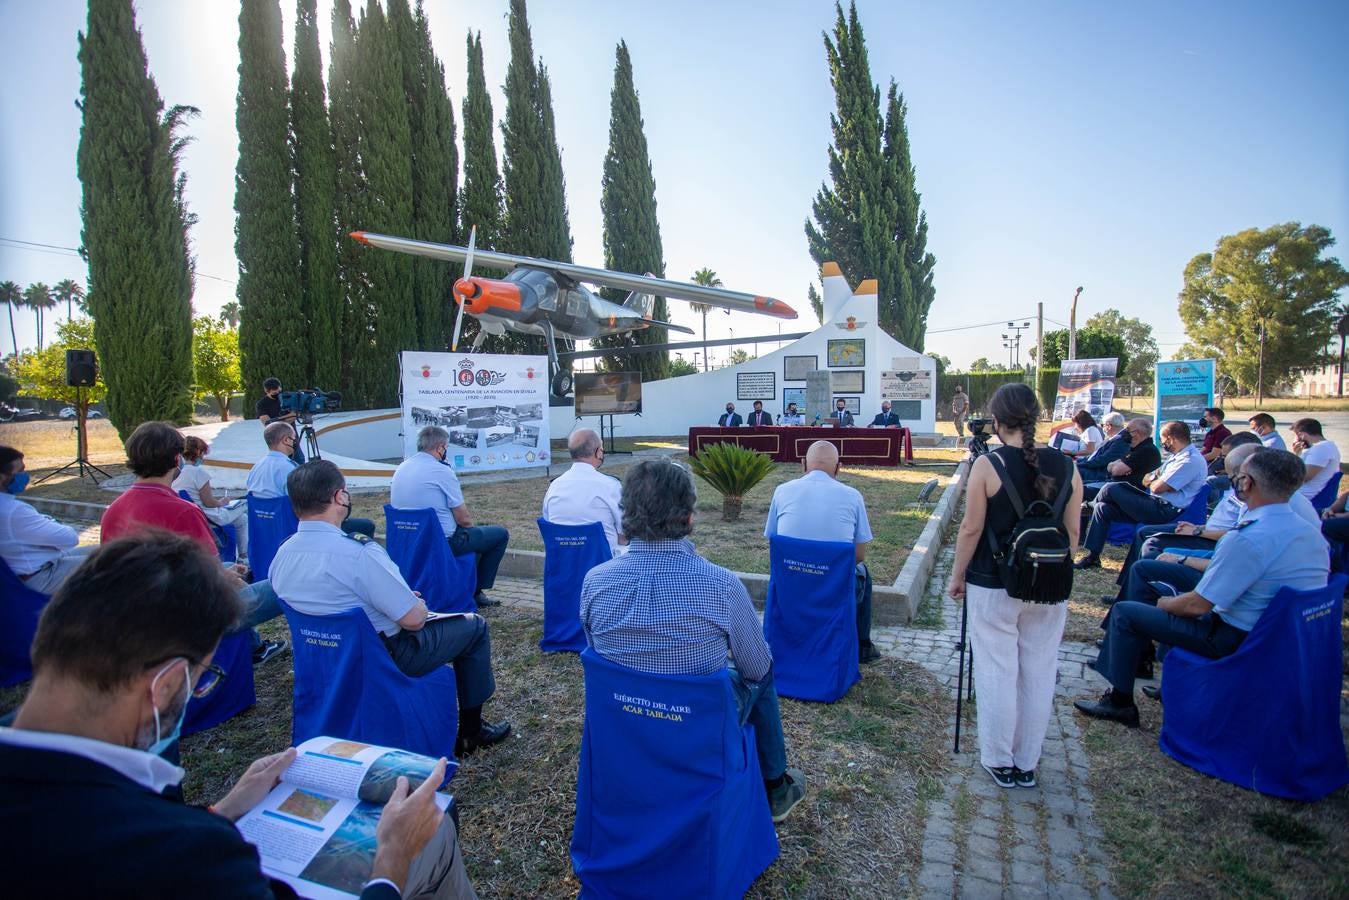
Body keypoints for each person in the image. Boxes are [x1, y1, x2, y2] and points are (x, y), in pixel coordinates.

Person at [0, 532, 474, 899]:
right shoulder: (184, 857)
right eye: (201, 681)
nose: (195, 693)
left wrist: (223, 811)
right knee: (433, 841)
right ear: (165, 685)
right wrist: (390, 856)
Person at [580, 459, 808, 823]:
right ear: (689, 517)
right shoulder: (722, 585)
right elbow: (758, 668)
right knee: (762, 678)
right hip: (695, 722)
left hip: (624, 716)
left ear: (627, 513)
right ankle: (776, 787)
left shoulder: (594, 581)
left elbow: (595, 651)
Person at [271, 460, 511, 757]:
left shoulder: (282, 555)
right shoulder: (359, 554)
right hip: (384, 656)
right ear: (338, 497)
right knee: (475, 627)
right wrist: (418, 604)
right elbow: (413, 621)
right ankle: (472, 732)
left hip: (324, 659)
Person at [1074, 448, 1328, 725]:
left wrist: (1163, 604)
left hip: (1235, 636)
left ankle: (1119, 701)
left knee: (1126, 613)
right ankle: (1142, 659)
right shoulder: (1309, 532)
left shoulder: (1248, 536)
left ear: (1247, 483)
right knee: (1147, 568)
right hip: (1283, 634)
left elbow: (1196, 606)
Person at [947, 383, 1082, 788]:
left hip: (994, 581)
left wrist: (957, 576)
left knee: (996, 670)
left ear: (996, 421)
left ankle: (998, 758)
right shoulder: (1068, 466)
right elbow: (1074, 530)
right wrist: (1055, 568)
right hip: (1049, 581)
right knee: (1039, 671)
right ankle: (1027, 761)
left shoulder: (989, 465)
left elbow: (971, 528)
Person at [101, 421, 286, 666]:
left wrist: (225, 571)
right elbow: (209, 574)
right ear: (177, 459)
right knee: (285, 583)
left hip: (138, 612)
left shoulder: (114, 510)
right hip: (185, 618)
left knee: (229, 564)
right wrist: (233, 579)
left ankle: (254, 647)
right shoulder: (181, 511)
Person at [764, 440, 880, 663]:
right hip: (832, 587)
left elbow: (775, 544)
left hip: (791, 583)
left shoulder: (782, 491)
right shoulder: (853, 496)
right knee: (864, 573)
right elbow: (858, 556)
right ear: (839, 467)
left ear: (802, 464)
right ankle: (862, 646)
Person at [389, 426, 510, 607]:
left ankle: (468, 585)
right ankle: (477, 591)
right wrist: (471, 533)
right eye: (446, 447)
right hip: (441, 542)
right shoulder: (442, 471)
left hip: (407, 540)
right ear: (440, 448)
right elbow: (464, 519)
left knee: (474, 539)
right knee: (499, 535)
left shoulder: (402, 468)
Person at [1076, 421, 1207, 569]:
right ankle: (1092, 557)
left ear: (1171, 439)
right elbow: (1150, 477)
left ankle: (1087, 506)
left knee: (1110, 488)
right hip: (1155, 502)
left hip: (1165, 509)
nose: (1162, 443)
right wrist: (1154, 479)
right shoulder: (1178, 456)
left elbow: (1157, 487)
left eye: (1163, 439)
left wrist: (1154, 480)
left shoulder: (1189, 460)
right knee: (1102, 507)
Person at [247, 422, 376, 539]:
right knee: (366, 526)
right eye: (294, 438)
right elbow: (307, 502)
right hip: (298, 529)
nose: (296, 442)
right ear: (286, 440)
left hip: (267, 534)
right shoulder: (288, 468)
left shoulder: (255, 468)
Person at [0, 445, 95, 593]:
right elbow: (69, 539)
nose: (25, 475)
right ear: (1, 478)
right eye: (20, 471)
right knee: (116, 561)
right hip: (38, 577)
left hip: (29, 568)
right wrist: (52, 522)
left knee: (105, 549)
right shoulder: (13, 510)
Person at [542, 428, 625, 556]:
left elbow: (550, 527)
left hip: (563, 567)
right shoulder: (611, 486)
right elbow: (625, 533)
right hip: (603, 567)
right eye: (602, 450)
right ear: (598, 452)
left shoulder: (554, 487)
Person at [173, 436, 250, 564]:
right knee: (244, 505)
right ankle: (244, 555)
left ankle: (242, 555)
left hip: (196, 516)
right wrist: (223, 502)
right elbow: (209, 502)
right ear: (199, 452)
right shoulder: (198, 473)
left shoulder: (178, 474)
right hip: (210, 517)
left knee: (240, 519)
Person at [1080, 417, 1161, 501]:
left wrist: (1113, 466)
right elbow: (1117, 467)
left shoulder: (1146, 450)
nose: (1125, 433)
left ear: (1136, 433)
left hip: (1128, 492)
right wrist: (1116, 466)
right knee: (1080, 484)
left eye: (1128, 430)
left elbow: (1116, 470)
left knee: (1079, 489)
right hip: (1115, 485)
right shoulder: (1136, 448)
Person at [1290, 417, 1340, 501]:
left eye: (1294, 436)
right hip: (1299, 493)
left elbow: (1304, 477)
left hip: (1302, 496)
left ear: (1301, 435)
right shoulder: (1326, 446)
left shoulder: (1320, 448)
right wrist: (1297, 455)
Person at [255, 377, 303, 463]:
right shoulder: (262, 404)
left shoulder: (287, 398)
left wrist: (279, 421)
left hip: (292, 439)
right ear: (267, 391)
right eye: (274, 392)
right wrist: (290, 416)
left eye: (279, 390)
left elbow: (297, 414)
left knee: (299, 461)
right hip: (277, 443)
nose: (277, 393)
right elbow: (268, 424)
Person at [1075, 412, 1130, 482]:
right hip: (1093, 468)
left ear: (1108, 426)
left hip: (1099, 473)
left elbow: (1103, 460)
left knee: (1068, 470)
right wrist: (1077, 462)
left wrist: (1080, 464)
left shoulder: (1121, 440)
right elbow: (1093, 456)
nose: (1102, 427)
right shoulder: (1114, 438)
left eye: (1102, 425)